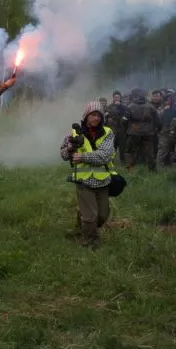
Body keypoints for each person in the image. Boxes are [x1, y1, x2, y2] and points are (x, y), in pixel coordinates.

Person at [60, 101, 117, 248]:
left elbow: (104, 156)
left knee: (102, 216)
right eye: (93, 115)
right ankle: (90, 243)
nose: (96, 118)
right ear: (86, 116)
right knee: (91, 217)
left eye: (99, 115)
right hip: (83, 181)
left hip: (103, 180)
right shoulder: (73, 134)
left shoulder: (108, 133)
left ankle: (82, 221)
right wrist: (70, 148)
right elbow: (64, 155)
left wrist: (83, 157)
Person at [124, 88, 159, 171]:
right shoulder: (151, 106)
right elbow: (157, 120)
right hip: (147, 133)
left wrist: (127, 129)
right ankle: (152, 170)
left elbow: (124, 120)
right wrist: (154, 129)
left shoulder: (130, 106)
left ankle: (130, 168)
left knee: (130, 151)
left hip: (134, 132)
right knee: (149, 152)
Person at [104, 91, 127, 160]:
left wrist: (120, 106)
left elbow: (126, 115)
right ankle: (111, 162)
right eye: (115, 97)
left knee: (122, 148)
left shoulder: (124, 107)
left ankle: (123, 163)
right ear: (113, 98)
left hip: (122, 130)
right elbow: (106, 118)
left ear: (120, 98)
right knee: (112, 147)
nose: (116, 98)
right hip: (112, 130)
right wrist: (107, 116)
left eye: (118, 97)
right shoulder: (109, 107)